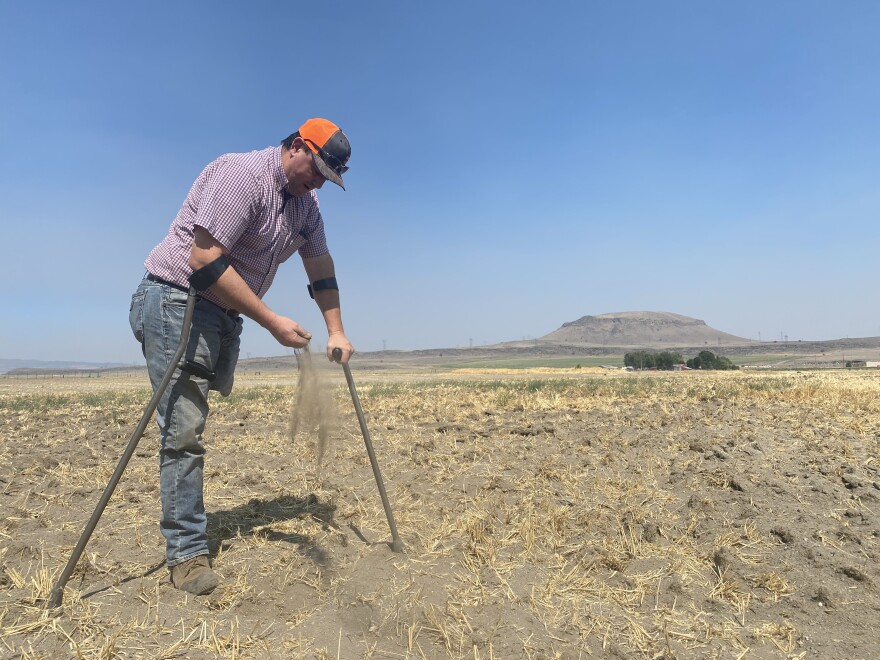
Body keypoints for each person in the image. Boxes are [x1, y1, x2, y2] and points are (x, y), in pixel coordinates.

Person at [128, 118, 355, 595]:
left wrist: (336, 329)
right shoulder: (242, 176)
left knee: (189, 423)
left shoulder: (306, 208)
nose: (317, 183)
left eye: (326, 179)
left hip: (222, 312)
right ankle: (186, 555)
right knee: (182, 429)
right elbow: (205, 259)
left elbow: (320, 268)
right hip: (177, 301)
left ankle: (185, 524)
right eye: (315, 170)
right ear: (296, 146)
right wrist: (271, 320)